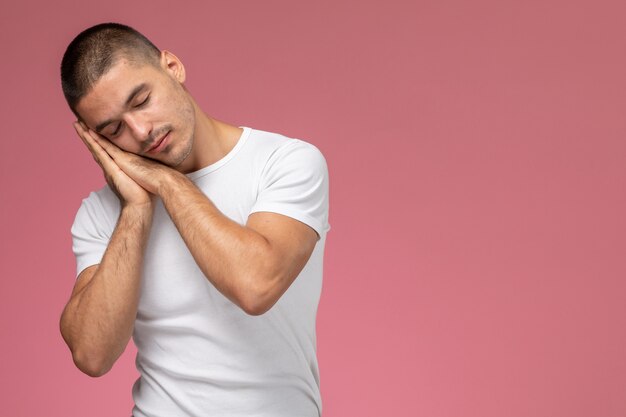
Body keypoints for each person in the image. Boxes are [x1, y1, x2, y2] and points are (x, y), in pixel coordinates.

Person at [59, 22, 330, 417]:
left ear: (172, 67)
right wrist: (136, 209)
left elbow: (255, 286)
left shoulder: (285, 162)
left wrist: (168, 182)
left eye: (141, 100)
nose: (141, 131)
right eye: (114, 129)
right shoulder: (102, 213)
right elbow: (91, 354)